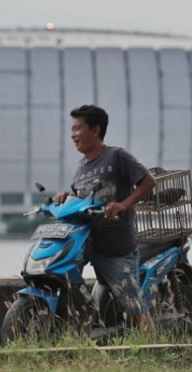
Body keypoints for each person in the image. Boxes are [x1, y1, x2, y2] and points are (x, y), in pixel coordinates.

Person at [53, 105, 156, 331]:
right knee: (60, 275)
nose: (73, 135)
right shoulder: (81, 166)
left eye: (77, 128)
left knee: (133, 306)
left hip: (116, 247)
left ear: (96, 130)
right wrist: (65, 197)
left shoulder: (116, 156)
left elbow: (148, 181)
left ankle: (153, 349)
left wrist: (123, 204)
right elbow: (82, 199)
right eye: (71, 129)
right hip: (87, 243)